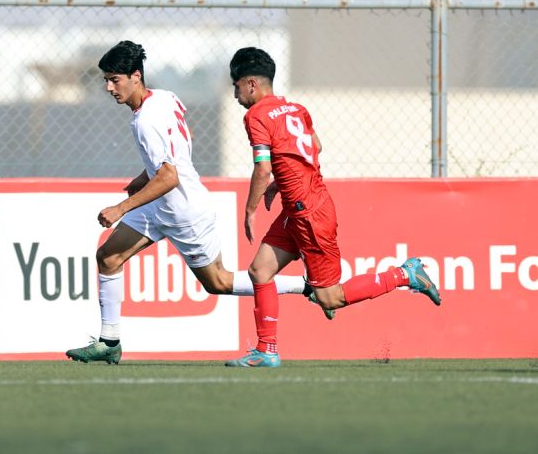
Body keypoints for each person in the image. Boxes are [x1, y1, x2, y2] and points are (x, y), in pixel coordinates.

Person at [65, 40, 320, 365]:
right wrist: (145, 178)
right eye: (106, 80)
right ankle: (109, 341)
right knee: (108, 257)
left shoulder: (146, 121)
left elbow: (170, 176)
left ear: (135, 76)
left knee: (218, 282)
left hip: (184, 211)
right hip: (158, 205)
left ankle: (306, 287)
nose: (108, 88)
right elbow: (184, 142)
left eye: (114, 80)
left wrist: (121, 208)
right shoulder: (165, 97)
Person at [225, 47, 441, 368]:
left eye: (236, 86)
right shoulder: (296, 109)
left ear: (251, 84)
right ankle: (266, 350)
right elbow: (315, 146)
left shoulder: (255, 116)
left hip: (308, 213)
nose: (235, 95)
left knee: (330, 297)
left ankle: (404, 274)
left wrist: (250, 210)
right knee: (260, 270)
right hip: (301, 207)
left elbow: (263, 167)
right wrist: (283, 182)